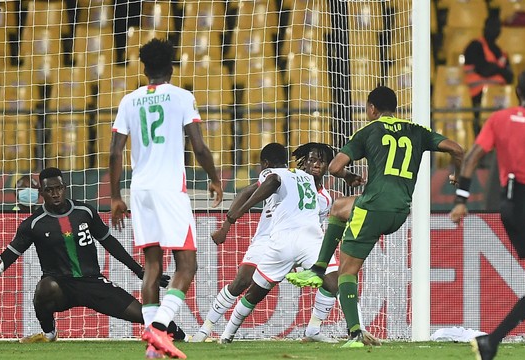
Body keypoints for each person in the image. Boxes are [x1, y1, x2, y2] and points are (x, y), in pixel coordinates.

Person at [286, 86, 465, 347]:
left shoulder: (368, 131)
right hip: (400, 211)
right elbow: (457, 149)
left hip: (372, 209)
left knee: (347, 271)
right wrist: (457, 175)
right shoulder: (417, 130)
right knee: (339, 208)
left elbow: (335, 166)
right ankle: (317, 268)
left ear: (371, 108)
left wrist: (349, 176)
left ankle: (356, 333)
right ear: (396, 108)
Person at [0, 167, 185, 344]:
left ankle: (183, 337)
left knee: (146, 317)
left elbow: (109, 242)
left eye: (59, 188)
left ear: (64, 187)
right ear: (42, 193)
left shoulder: (84, 212)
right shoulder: (33, 224)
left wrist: (140, 271)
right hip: (60, 287)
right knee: (43, 289)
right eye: (50, 190)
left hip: (93, 283)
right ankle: (49, 335)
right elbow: (5, 260)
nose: (55, 193)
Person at [190, 142, 378, 344]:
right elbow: (247, 192)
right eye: (312, 159)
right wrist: (228, 223)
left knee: (334, 280)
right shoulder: (285, 174)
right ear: (304, 162)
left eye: (321, 161)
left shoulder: (325, 198)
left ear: (327, 166)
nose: (316, 164)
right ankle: (206, 329)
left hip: (303, 241)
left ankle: (320, 329)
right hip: (268, 238)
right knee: (243, 282)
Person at [108, 38, 223, 359]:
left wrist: (116, 196)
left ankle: (152, 350)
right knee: (187, 265)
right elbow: (198, 146)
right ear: (172, 67)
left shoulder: (128, 101)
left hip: (140, 190)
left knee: (153, 267)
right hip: (170, 189)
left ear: (144, 68)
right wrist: (214, 178)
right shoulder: (183, 97)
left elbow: (115, 152)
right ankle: (158, 329)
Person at [449, 68, 525, 360]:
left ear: (517, 91)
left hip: (510, 206)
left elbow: (471, 158)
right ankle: (492, 341)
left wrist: (461, 200)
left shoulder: (498, 119)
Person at [463, 16, 514, 135]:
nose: (495, 30)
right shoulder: (474, 46)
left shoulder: (500, 51)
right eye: (492, 27)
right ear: (485, 28)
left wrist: (495, 68)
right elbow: (484, 70)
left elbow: (510, 76)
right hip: (477, 95)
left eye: (498, 28)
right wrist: (499, 69)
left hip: (500, 98)